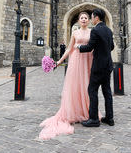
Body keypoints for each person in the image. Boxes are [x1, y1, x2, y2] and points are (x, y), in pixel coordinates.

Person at [39, 12, 94, 140]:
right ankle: (74, 112)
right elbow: (69, 49)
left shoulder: (92, 32)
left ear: (89, 21)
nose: (84, 20)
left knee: (87, 86)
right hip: (76, 61)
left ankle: (86, 112)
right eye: (82, 18)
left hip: (87, 61)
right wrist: (59, 62)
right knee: (75, 86)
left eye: (86, 18)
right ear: (79, 21)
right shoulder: (75, 33)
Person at [77, 8, 115, 127]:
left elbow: (89, 47)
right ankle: (109, 118)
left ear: (96, 17)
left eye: (92, 17)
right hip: (108, 65)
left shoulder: (95, 30)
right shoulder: (109, 30)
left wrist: (79, 47)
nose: (91, 19)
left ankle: (93, 119)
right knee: (107, 92)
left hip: (98, 66)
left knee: (92, 91)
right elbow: (112, 47)